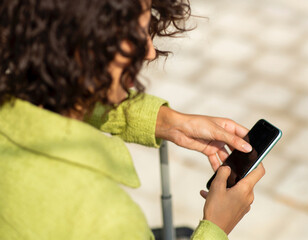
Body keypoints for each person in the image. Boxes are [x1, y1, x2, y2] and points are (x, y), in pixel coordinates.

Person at [0, 0, 265, 239]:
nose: (149, 52)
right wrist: (216, 227)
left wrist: (166, 122)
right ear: (83, 45)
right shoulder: (109, 221)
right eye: (136, 33)